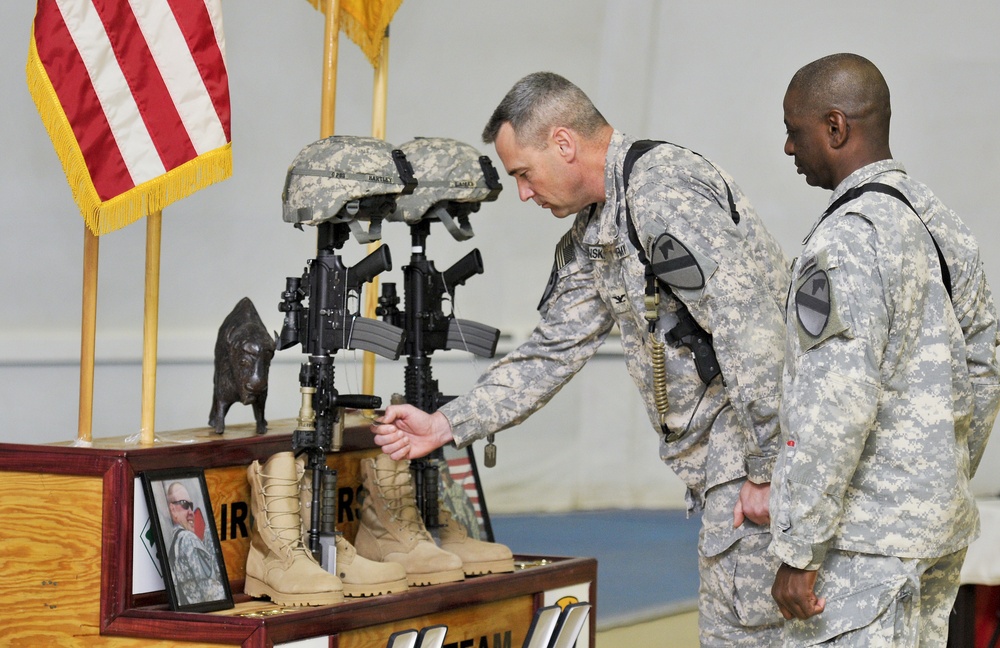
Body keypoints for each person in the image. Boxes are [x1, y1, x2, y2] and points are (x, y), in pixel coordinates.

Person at [371, 71, 789, 645]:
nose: (523, 192)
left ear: (564, 144)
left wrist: (768, 472)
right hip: (730, 468)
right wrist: (445, 424)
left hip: (754, 465)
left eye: (524, 173)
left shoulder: (661, 193)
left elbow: (754, 333)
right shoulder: (599, 229)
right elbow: (550, 352)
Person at [770, 53, 1000, 645]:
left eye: (796, 132)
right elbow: (984, 368)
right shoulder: (940, 223)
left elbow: (834, 405)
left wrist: (799, 548)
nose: (790, 150)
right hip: (935, 531)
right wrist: (938, 475)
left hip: (862, 550)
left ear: (836, 127)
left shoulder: (847, 238)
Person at [165, 481, 226, 606]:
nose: (191, 512)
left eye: (191, 505)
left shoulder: (175, 544)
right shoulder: (189, 539)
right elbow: (212, 593)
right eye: (184, 504)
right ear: (172, 509)